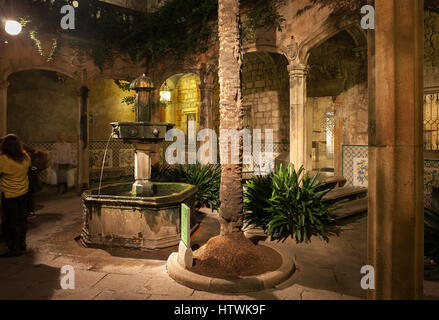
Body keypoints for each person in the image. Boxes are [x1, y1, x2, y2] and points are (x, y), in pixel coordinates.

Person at [0, 134, 31, 257]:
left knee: (11, 222)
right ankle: (22, 243)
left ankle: (15, 248)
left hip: (9, 195)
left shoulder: (3, 159)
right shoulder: (25, 157)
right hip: (24, 193)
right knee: (22, 220)